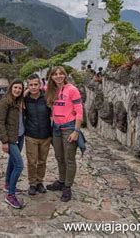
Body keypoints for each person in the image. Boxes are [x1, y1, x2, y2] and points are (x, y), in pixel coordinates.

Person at [45, 66, 85, 202]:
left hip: (69, 128)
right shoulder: (51, 90)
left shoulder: (72, 90)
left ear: (65, 75)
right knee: (59, 156)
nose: (58, 76)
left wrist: (76, 131)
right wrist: (26, 91)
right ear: (51, 76)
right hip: (56, 127)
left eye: (60, 73)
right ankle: (61, 181)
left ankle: (67, 187)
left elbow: (79, 111)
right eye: (55, 74)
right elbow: (37, 89)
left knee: (69, 158)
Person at [0, 79, 25, 209]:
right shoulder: (5, 101)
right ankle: (11, 195)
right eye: (15, 88)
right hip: (11, 139)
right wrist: (4, 141)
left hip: (20, 136)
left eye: (20, 88)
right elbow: (0, 122)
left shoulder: (19, 101)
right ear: (11, 88)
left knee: (12, 162)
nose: (17, 90)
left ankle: (8, 185)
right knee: (19, 165)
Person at [23, 74, 52, 196]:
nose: (34, 87)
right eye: (31, 85)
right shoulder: (24, 99)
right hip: (31, 135)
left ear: (40, 85)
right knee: (31, 161)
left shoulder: (46, 98)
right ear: (27, 86)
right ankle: (32, 184)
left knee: (42, 161)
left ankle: (40, 182)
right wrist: (24, 94)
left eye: (36, 84)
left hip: (46, 135)